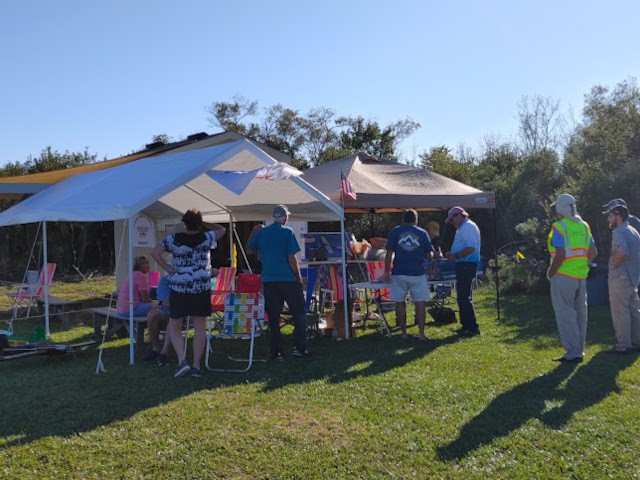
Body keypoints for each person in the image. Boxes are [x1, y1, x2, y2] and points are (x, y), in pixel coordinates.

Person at [151, 209, 226, 378]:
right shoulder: (207, 237)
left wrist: (167, 268)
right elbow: (222, 229)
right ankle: (196, 366)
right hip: (200, 288)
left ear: (184, 223)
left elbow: (154, 252)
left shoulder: (174, 239)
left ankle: (182, 361)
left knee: (175, 326)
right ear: (199, 224)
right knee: (200, 327)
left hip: (179, 288)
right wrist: (203, 223)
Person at [247, 204, 310, 359]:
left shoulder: (262, 233)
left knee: (273, 318)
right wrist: (298, 276)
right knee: (299, 314)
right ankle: (300, 348)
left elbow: (249, 250)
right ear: (286, 217)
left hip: (269, 281)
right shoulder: (288, 232)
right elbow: (291, 257)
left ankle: (276, 352)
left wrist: (254, 231)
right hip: (288, 280)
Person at [547, 194, 597, 363]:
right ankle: (579, 350)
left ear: (560, 209)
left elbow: (560, 255)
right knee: (580, 315)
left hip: (563, 276)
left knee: (565, 314)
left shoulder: (559, 227)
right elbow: (593, 251)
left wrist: (551, 272)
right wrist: (583, 264)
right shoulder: (584, 226)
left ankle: (572, 352)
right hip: (581, 276)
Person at [382, 209, 433, 341]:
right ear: (416, 219)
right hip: (417, 272)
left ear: (403, 219)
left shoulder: (395, 231)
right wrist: (432, 262)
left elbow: (389, 253)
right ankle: (421, 334)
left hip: (399, 272)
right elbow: (429, 254)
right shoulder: (422, 232)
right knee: (420, 302)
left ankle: (403, 333)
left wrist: (386, 271)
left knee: (399, 302)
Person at [602, 201, 640, 354]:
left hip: (620, 277)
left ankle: (623, 346)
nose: (608, 219)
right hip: (633, 278)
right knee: (634, 311)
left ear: (617, 216)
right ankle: (637, 342)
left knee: (620, 312)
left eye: (610, 216)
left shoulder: (619, 231)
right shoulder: (634, 231)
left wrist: (613, 265)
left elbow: (622, 251)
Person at [445, 206, 481, 337]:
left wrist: (455, 256)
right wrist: (452, 253)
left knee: (464, 296)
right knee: (463, 296)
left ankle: (472, 327)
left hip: (467, 264)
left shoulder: (467, 227)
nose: (452, 222)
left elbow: (471, 247)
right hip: (463, 264)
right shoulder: (463, 227)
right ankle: (466, 326)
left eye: (452, 219)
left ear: (459, 215)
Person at [144, 275, 173, 366]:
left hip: (183, 314)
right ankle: (156, 350)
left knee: (175, 316)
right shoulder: (165, 280)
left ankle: (164, 353)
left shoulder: (192, 277)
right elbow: (164, 302)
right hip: (166, 311)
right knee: (152, 314)